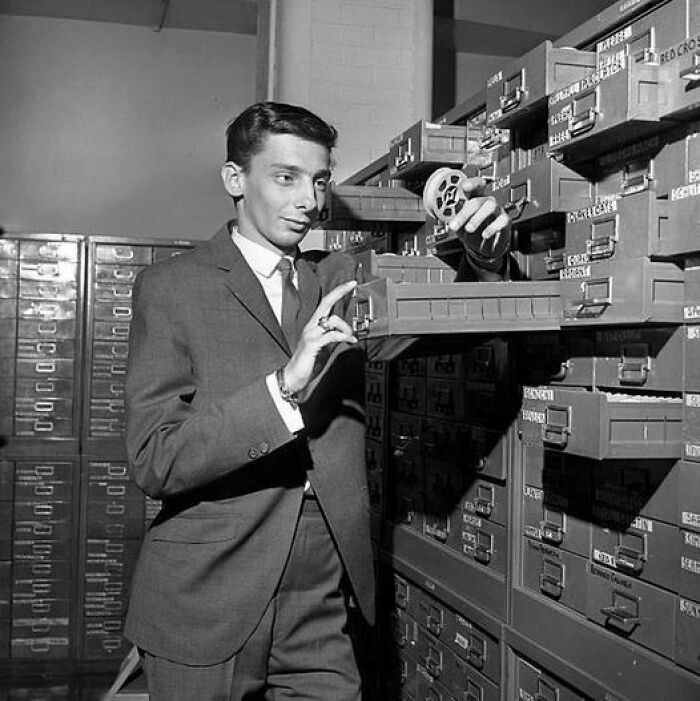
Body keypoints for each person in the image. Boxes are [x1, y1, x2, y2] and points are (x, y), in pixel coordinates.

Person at [123, 101, 510, 700]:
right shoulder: (172, 287)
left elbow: (453, 322)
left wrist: (485, 252)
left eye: (320, 180)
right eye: (286, 177)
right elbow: (156, 459)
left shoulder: (337, 280)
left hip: (322, 582)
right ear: (235, 179)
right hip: (206, 594)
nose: (309, 199)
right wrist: (283, 391)